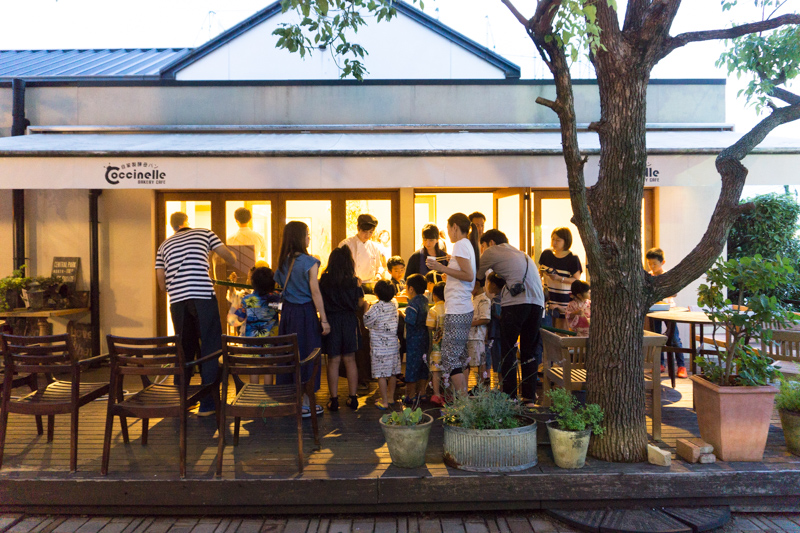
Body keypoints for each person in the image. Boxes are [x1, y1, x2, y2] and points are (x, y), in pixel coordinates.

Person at [155, 212, 237, 417]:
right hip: (202, 298)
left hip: (177, 302)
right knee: (210, 348)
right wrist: (213, 257)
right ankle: (208, 405)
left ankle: (182, 401)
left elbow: (161, 284)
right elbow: (231, 257)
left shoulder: (163, 246)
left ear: (172, 226)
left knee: (183, 349)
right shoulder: (205, 233)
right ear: (187, 222)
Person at [477, 228, 545, 406]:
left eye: (482, 246)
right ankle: (529, 399)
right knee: (529, 351)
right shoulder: (522, 254)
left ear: (491, 243)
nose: (483, 251)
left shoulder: (492, 251)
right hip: (537, 303)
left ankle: (510, 397)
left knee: (508, 350)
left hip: (515, 304)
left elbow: (476, 275)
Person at [274, 220, 330, 419]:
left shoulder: (282, 262)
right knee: (308, 355)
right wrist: (324, 320)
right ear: (300, 237)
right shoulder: (310, 262)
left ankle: (291, 399)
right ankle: (306, 403)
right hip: (305, 314)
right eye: (307, 234)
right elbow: (315, 292)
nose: (309, 238)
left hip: (288, 314)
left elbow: (279, 285)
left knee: (289, 355)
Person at [425, 213, 478, 395]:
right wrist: (449, 270)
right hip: (462, 307)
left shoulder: (460, 244)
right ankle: (462, 401)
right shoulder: (466, 244)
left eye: (448, 229)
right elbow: (465, 276)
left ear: (455, 226)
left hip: (457, 309)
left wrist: (441, 268)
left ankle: (463, 399)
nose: (447, 233)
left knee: (449, 357)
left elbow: (469, 275)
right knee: (460, 356)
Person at [319, 246, 365, 412]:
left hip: (331, 320)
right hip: (349, 320)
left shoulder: (324, 280)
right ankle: (353, 398)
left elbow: (319, 300)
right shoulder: (353, 281)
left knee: (333, 360)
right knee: (350, 359)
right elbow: (360, 302)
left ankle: (333, 400)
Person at [233, 266, 281, 384]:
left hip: (252, 341)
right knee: (268, 366)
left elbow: (240, 318)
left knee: (253, 367)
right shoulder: (275, 299)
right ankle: (268, 390)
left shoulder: (247, 299)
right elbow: (281, 310)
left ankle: (254, 391)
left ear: (253, 283)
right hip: (270, 341)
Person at [646, 247, 687, 377]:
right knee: (656, 336)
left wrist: (660, 292)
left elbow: (674, 293)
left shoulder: (668, 275)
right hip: (653, 310)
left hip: (669, 310)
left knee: (674, 338)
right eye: (649, 264)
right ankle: (660, 364)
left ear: (662, 262)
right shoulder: (648, 277)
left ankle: (681, 366)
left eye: (654, 264)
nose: (652, 266)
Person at [363, 280, 400, 410]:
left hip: (380, 348)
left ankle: (384, 402)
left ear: (376, 293)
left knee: (381, 375)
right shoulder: (394, 304)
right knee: (393, 373)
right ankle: (390, 398)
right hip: (393, 346)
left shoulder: (376, 308)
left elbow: (367, 322)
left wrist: (366, 307)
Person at [538, 227, 583, 328]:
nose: (554, 242)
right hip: (547, 297)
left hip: (564, 299)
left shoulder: (573, 258)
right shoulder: (546, 254)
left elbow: (576, 280)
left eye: (558, 240)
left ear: (566, 241)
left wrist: (559, 278)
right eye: (553, 239)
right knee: (546, 328)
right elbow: (539, 271)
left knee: (561, 328)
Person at [402, 274, 429, 405]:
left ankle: (411, 395)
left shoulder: (412, 303)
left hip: (414, 339)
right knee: (423, 365)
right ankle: (422, 392)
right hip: (425, 337)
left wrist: (402, 314)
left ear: (411, 288)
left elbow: (410, 320)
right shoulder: (425, 300)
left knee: (412, 366)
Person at [339, 214, 386, 283]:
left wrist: (378, 274)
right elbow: (339, 267)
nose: (367, 235)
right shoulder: (346, 244)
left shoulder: (374, 247)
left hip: (369, 283)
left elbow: (379, 266)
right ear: (358, 228)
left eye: (370, 232)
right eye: (365, 232)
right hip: (350, 283)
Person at [467, 282, 491, 387]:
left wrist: (468, 324)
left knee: (479, 363)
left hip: (477, 336)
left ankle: (480, 386)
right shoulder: (472, 298)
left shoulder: (484, 300)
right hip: (469, 335)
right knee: (468, 363)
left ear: (476, 284)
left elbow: (485, 319)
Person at [426, 281, 446, 406]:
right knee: (450, 369)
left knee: (436, 370)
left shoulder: (433, 310)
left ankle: (437, 394)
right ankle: (449, 393)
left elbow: (430, 326)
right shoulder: (450, 308)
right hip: (449, 345)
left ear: (434, 295)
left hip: (437, 345)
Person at [485, 272, 505, 377]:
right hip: (505, 333)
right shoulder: (506, 296)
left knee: (499, 360)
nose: (487, 286)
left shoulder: (496, 300)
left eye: (488, 283)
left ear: (493, 284)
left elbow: (498, 314)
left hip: (497, 333)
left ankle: (501, 385)